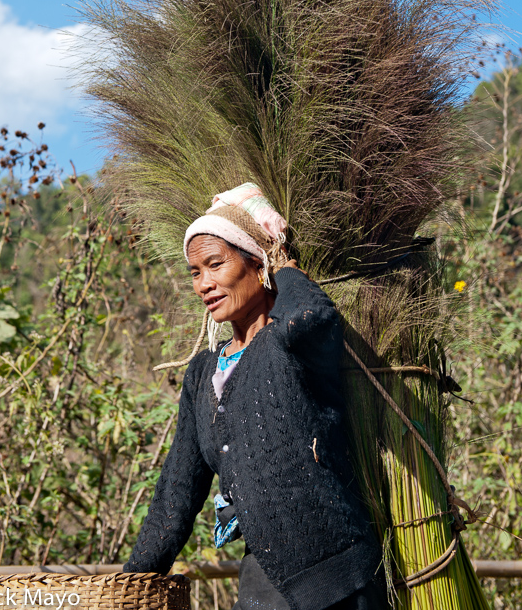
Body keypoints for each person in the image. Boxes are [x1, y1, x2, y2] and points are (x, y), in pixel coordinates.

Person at [124, 184, 388, 610]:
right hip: (265, 580)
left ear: (255, 263)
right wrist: (132, 582)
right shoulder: (201, 374)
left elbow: (313, 315)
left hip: (338, 578)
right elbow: (176, 493)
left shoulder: (290, 342)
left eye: (215, 264)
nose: (204, 284)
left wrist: (280, 256)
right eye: (194, 272)